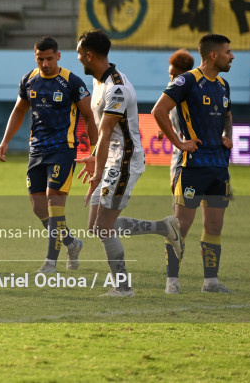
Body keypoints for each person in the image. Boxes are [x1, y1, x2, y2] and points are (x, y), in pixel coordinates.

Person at [76, 29, 182, 297]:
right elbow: (105, 133)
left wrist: (98, 172)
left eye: (79, 54)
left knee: (103, 227)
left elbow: (106, 131)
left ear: (89, 55)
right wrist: (95, 157)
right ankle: (163, 227)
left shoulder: (117, 88)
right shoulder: (101, 82)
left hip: (123, 161)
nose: (78, 59)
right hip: (111, 158)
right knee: (96, 227)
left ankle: (123, 288)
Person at [0, 36, 98, 273]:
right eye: (40, 59)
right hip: (37, 150)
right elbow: (19, 110)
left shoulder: (72, 82)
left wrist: (94, 151)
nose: (45, 64)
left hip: (63, 149)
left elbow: (89, 116)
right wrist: (5, 141)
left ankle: (50, 261)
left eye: (49, 58)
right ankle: (72, 243)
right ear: (35, 58)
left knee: (54, 200)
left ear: (58, 56)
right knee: (38, 207)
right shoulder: (29, 80)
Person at [151, 34, 235, 295]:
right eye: (228, 52)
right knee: (181, 225)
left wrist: (228, 136)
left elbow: (228, 115)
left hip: (219, 167)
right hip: (192, 166)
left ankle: (210, 282)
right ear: (213, 55)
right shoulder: (187, 80)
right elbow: (158, 110)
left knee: (214, 226)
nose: (232, 56)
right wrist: (179, 143)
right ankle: (172, 282)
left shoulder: (223, 85)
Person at [156, 49, 195, 190]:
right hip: (178, 146)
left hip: (191, 145)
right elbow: (166, 112)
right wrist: (163, 129)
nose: (172, 79)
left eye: (175, 75)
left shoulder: (194, 91)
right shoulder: (171, 89)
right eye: (170, 74)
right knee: (176, 186)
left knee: (178, 185)